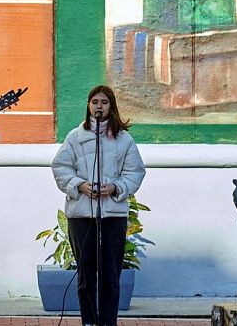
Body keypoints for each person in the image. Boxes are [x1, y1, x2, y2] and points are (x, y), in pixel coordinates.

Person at [51, 85, 146, 326]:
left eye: (104, 102)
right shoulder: (76, 136)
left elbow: (135, 171)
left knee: (110, 275)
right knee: (85, 275)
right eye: (95, 102)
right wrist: (79, 184)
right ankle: (89, 322)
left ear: (111, 106)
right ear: (88, 106)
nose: (99, 106)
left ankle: (108, 322)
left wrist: (115, 188)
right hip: (81, 215)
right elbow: (60, 167)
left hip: (113, 215)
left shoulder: (124, 140)